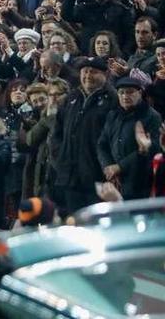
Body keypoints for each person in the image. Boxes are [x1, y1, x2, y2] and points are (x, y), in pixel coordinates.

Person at [52, 57, 117, 215]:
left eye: (93, 72)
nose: (88, 75)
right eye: (85, 71)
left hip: (97, 178)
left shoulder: (113, 100)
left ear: (105, 74)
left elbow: (114, 138)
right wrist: (60, 157)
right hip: (69, 177)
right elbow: (56, 133)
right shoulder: (72, 98)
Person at [97, 77, 162, 201]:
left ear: (140, 93)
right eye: (121, 92)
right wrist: (109, 167)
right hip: (117, 182)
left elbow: (153, 148)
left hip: (142, 182)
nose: (125, 96)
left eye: (130, 92)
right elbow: (102, 144)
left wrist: (120, 167)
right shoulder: (113, 115)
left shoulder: (152, 116)